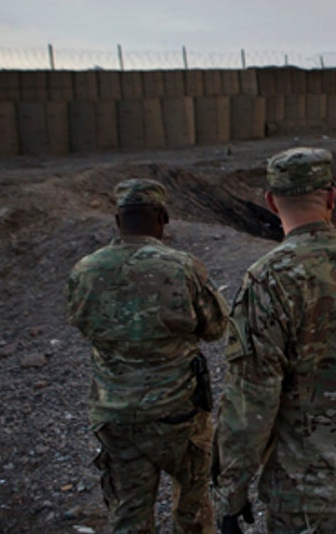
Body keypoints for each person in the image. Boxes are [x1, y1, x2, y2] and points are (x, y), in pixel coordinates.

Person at [214, 147, 336, 534]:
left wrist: (231, 493)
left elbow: (252, 400)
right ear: (332, 197)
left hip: (308, 494)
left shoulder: (268, 279)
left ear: (271, 202)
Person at [67, 178, 230, 534]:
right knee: (193, 509)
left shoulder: (85, 270)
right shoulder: (182, 267)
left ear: (117, 220)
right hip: (178, 414)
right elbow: (216, 328)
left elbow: (82, 324)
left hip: (116, 415)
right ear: (163, 217)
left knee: (128, 512)